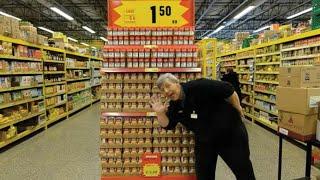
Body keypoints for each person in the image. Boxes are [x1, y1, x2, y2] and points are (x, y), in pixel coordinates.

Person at [149, 73, 255, 180]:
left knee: (243, 171)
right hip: (205, 139)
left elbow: (229, 90)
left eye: (168, 86)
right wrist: (160, 113)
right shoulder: (174, 105)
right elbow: (168, 125)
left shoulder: (199, 86)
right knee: (204, 175)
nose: (166, 91)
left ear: (177, 82)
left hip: (229, 135)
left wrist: (237, 108)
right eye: (162, 90)